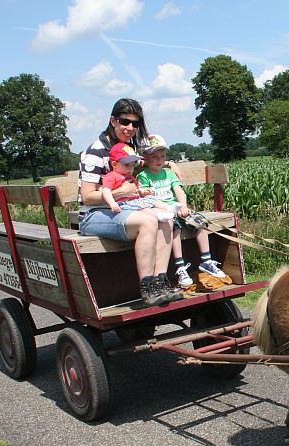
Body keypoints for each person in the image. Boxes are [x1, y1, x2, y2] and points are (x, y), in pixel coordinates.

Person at [77, 98, 182, 307]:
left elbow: (146, 160)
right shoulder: (95, 152)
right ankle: (147, 287)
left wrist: (169, 163)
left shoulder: (127, 148)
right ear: (113, 121)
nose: (130, 128)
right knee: (148, 221)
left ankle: (161, 282)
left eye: (135, 123)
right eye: (125, 122)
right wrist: (119, 192)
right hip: (95, 214)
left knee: (166, 219)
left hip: (124, 209)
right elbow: (87, 196)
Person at [138, 134, 228, 288]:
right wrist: (169, 209)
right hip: (162, 212)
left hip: (178, 208)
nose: (159, 160)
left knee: (200, 222)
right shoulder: (143, 176)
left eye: (162, 156)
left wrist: (183, 206)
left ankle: (206, 260)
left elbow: (179, 191)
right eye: (154, 156)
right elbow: (149, 200)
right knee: (175, 228)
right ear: (145, 157)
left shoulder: (169, 173)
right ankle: (180, 267)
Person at [101, 143, 182, 223]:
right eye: (127, 165)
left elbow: (136, 189)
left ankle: (169, 208)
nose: (131, 168)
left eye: (133, 165)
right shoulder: (111, 176)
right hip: (122, 203)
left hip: (134, 200)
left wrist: (143, 192)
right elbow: (106, 190)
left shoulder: (129, 176)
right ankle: (158, 215)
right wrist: (112, 203)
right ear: (114, 164)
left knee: (151, 199)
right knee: (142, 208)